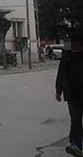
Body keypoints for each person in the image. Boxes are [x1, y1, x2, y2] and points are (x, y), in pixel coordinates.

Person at [55, 28, 83, 156]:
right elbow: (61, 73)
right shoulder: (67, 55)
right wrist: (58, 90)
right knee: (75, 120)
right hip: (72, 94)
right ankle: (75, 145)